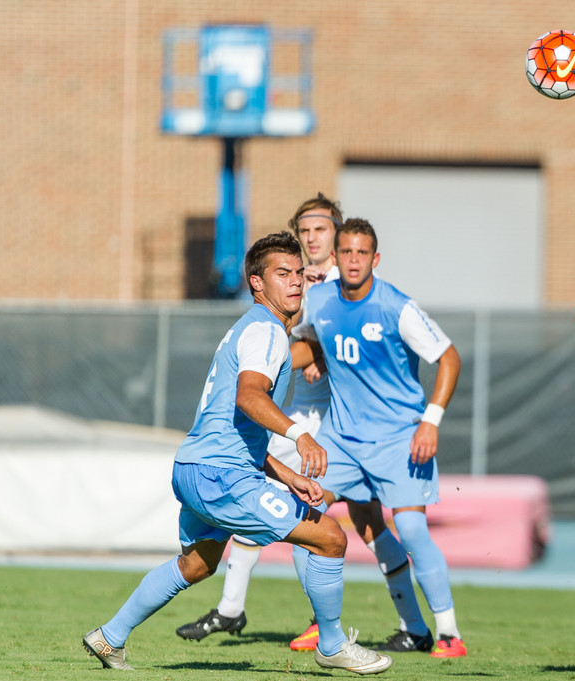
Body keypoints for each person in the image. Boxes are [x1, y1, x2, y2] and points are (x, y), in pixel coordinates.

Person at [82, 231, 392, 675]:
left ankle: (109, 638)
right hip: (220, 476)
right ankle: (332, 645)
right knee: (331, 538)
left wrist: (285, 474)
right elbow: (250, 397)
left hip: (195, 467)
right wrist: (301, 434)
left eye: (300, 274)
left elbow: (233, 427)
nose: (296, 283)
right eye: (282, 274)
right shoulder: (266, 330)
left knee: (197, 564)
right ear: (257, 283)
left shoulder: (250, 329)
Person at [176, 195, 425, 656]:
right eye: (305, 228)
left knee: (350, 523)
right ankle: (268, 614)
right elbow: (273, 360)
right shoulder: (292, 277)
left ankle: (413, 625)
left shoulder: (339, 284)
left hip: (328, 425)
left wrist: (315, 355)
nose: (312, 236)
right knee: (297, 515)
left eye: (322, 228)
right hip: (296, 422)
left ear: (338, 237)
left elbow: (355, 343)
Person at [290, 217, 468, 658]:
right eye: (346, 252)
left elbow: (449, 358)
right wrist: (265, 361)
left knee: (409, 527)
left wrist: (431, 421)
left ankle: (447, 634)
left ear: (376, 259)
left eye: (361, 253)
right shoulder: (320, 299)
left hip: (399, 438)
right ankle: (326, 627)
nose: (353, 260)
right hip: (343, 439)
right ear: (335, 258)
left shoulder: (395, 307)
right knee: (301, 516)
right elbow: (312, 345)